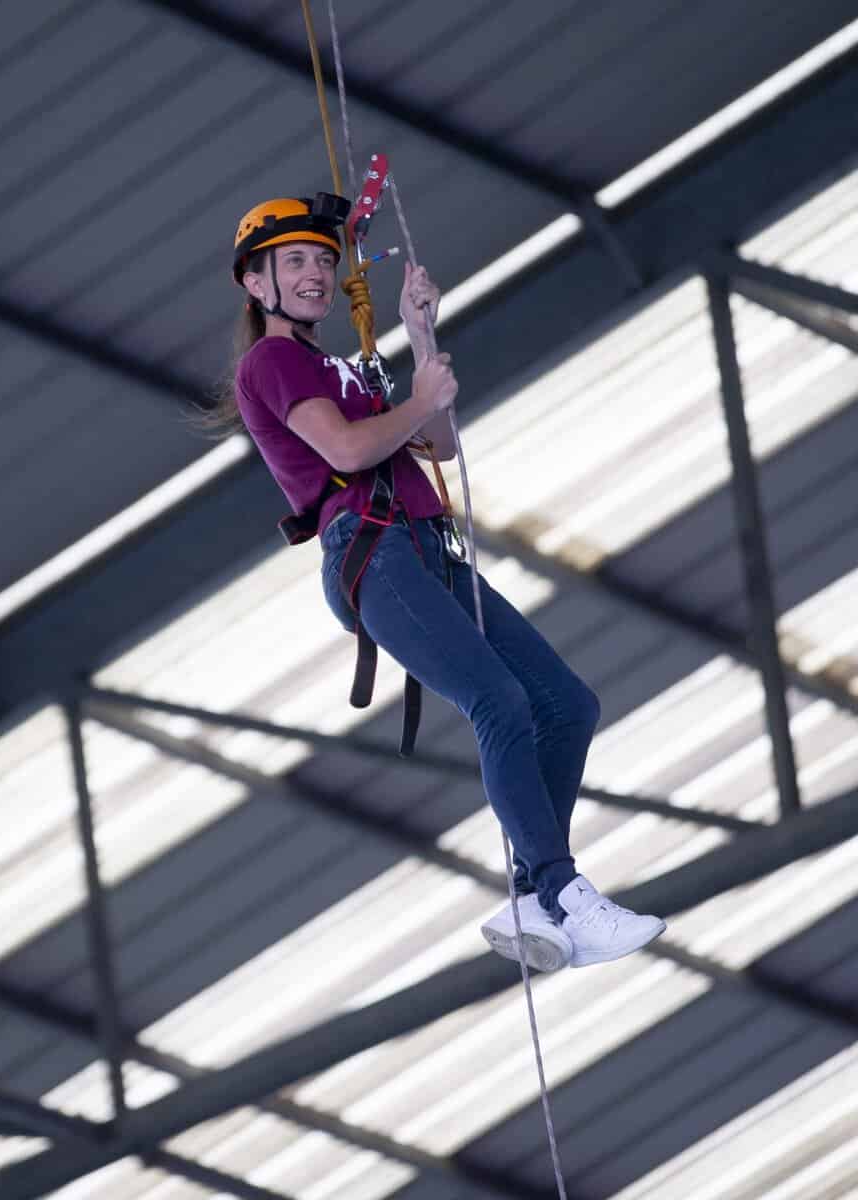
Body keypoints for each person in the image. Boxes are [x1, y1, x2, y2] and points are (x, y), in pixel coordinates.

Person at [210, 194, 666, 971]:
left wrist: (420, 342)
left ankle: (534, 897)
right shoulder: (273, 361)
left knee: (566, 704)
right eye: (295, 262)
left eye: (323, 259)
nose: (316, 272)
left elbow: (437, 442)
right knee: (501, 700)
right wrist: (416, 400)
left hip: (423, 548)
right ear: (257, 285)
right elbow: (350, 453)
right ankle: (560, 891)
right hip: (375, 552)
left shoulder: (338, 366)